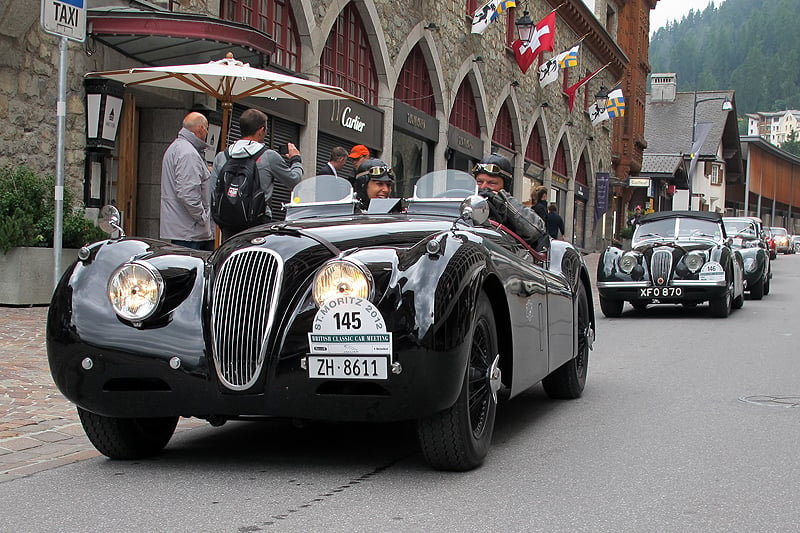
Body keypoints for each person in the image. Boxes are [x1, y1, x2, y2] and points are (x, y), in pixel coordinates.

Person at [211, 108, 303, 241]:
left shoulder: (222, 156)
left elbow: (213, 191)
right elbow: (295, 181)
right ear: (261, 131)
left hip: (227, 225)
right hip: (258, 225)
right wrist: (295, 159)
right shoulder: (268, 156)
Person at [160, 111, 215, 251]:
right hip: (190, 231)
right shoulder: (188, 153)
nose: (207, 132)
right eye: (207, 128)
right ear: (201, 128)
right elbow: (188, 193)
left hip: (185, 229)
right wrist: (202, 217)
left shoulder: (179, 148)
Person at [472, 153, 547, 250]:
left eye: (492, 183)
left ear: (505, 186)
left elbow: (535, 230)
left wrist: (501, 199)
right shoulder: (467, 202)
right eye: (479, 182)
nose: (483, 187)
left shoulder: (509, 207)